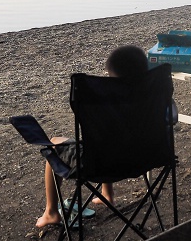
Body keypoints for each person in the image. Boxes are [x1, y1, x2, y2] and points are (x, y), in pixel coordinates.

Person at [35, 45, 150, 229]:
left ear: (112, 77)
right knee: (110, 142)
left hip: (100, 163)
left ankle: (51, 213)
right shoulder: (154, 96)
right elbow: (172, 119)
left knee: (54, 143)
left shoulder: (109, 103)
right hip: (147, 156)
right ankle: (107, 195)